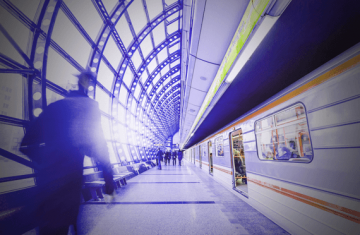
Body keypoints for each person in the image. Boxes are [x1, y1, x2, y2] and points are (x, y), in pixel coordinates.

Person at [19, 69, 114, 235]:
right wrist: (109, 184)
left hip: (44, 187)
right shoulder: (89, 108)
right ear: (88, 87)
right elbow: (99, 146)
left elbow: (26, 144)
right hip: (68, 186)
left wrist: (46, 164)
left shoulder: (55, 107)